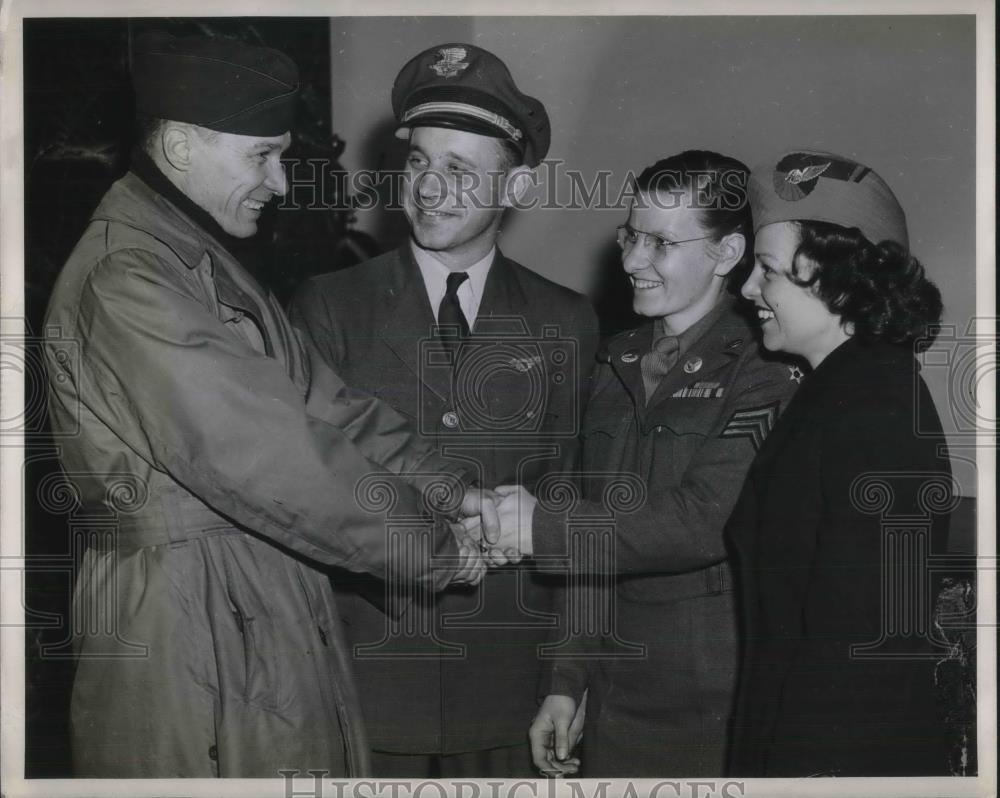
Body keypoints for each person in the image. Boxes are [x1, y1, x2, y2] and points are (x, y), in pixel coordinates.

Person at [42, 31, 493, 778]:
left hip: (244, 594)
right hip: (185, 621)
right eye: (262, 155)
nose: (282, 183)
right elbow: (269, 455)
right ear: (182, 146)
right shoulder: (130, 277)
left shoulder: (198, 256)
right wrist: (435, 547)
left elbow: (330, 407)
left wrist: (454, 492)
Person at [290, 42, 599, 779]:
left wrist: (565, 676)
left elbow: (573, 502)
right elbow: (310, 490)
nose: (431, 188)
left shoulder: (565, 321)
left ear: (517, 185)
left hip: (508, 689)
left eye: (461, 169)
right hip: (367, 680)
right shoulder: (328, 308)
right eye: (420, 162)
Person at [488, 151, 801, 776]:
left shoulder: (767, 370)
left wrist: (541, 527)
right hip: (612, 696)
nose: (632, 261)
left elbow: (704, 519)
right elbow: (594, 536)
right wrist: (566, 679)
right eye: (632, 236)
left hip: (708, 702)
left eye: (661, 243)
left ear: (726, 251)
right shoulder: (614, 359)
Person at [725, 149, 953, 776]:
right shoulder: (845, 390)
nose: (746, 289)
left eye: (767, 270)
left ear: (840, 280)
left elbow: (870, 644)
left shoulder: (873, 407)